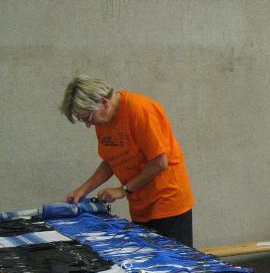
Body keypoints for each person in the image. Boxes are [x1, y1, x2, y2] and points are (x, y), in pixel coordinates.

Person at [60, 76, 195, 247]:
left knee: (171, 261)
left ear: (104, 103)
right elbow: (111, 160)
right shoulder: (103, 121)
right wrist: (83, 190)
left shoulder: (140, 110)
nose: (88, 125)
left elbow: (160, 162)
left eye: (87, 117)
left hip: (168, 203)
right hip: (140, 205)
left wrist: (123, 190)